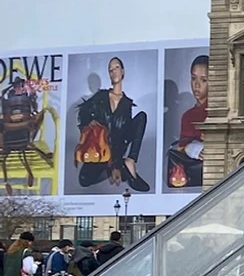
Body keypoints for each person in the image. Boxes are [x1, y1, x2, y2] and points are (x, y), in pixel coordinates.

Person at [73, 56, 151, 193]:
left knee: (141, 117)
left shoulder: (127, 104)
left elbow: (123, 136)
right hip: (100, 151)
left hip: (116, 151)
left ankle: (130, 161)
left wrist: (115, 162)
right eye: (111, 70)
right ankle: (117, 167)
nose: (114, 71)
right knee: (84, 180)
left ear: (123, 72)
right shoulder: (100, 97)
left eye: (116, 68)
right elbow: (83, 114)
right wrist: (88, 121)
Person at [167, 55, 208, 190]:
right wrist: (193, 149)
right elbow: (182, 147)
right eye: (193, 78)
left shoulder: (220, 111)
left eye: (204, 80)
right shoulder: (188, 116)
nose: (197, 85)